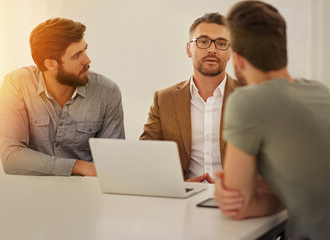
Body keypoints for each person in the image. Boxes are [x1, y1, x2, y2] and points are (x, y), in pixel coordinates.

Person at [215, 1, 330, 239]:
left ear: (237, 59)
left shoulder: (247, 101)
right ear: (282, 50)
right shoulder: (321, 91)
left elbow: (241, 205)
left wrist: (223, 191)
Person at [0, 18, 125, 176]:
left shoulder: (107, 92)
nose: (87, 60)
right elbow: (11, 158)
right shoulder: (17, 85)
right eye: (77, 55)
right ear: (50, 64)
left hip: (85, 193)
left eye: (85, 50)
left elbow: (113, 163)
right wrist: (77, 166)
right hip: (30, 193)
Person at [140, 13, 239, 182]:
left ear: (230, 53)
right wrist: (179, 186)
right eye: (203, 41)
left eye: (221, 43)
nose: (212, 49)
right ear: (188, 49)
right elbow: (146, 154)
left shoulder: (252, 98)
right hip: (182, 197)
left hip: (235, 200)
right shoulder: (164, 100)